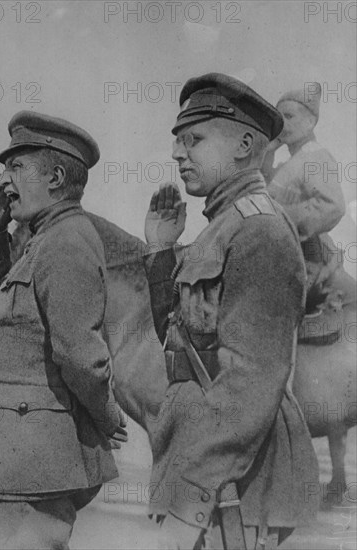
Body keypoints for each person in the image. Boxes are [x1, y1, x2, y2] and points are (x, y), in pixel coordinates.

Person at [143, 73, 319, 549]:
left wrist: (194, 490)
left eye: (193, 140)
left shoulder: (259, 229)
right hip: (204, 462)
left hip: (234, 482)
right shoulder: (223, 226)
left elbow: (252, 380)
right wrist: (161, 254)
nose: (178, 154)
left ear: (245, 144)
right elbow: (182, 347)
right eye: (178, 142)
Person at [0, 111, 127, 550]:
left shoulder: (66, 242)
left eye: (16, 167)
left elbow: (79, 352)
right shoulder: (43, 238)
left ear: (57, 177)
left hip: (32, 456)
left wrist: (106, 415)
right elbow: (5, 312)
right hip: (19, 452)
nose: (3, 180)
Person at [263, 83, 356, 326]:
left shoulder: (314, 156)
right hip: (290, 260)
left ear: (311, 122)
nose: (283, 124)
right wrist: (268, 152)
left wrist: (279, 218)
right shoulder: (291, 163)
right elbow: (263, 191)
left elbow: (332, 205)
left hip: (312, 263)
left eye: (290, 116)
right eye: (278, 118)